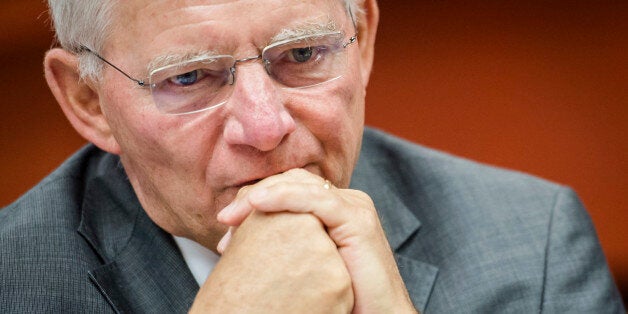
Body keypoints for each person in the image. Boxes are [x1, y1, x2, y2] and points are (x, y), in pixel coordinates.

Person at [0, 0, 624, 312]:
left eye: (303, 55)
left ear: (366, 40)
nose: (265, 128)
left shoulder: (532, 245)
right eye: (189, 77)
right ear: (89, 101)